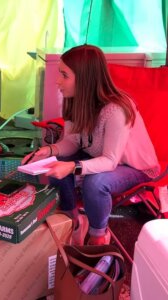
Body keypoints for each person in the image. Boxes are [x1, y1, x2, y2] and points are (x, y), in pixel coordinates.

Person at [22, 45, 160, 246]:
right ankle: (73, 221)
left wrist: (72, 167)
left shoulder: (117, 110)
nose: (57, 80)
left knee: (95, 182)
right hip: (98, 158)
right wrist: (49, 150)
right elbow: (71, 141)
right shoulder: (74, 100)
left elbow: (110, 161)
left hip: (134, 167)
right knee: (54, 162)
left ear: (84, 78)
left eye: (64, 75)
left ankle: (98, 236)